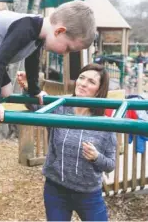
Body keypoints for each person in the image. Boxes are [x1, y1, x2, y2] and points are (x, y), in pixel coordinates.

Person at [0, 0, 96, 124]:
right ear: (59, 31)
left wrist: (35, 91)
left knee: (5, 92)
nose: (65, 53)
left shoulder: (38, 34)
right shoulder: (25, 29)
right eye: (68, 48)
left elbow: (32, 63)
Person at [17, 63, 117, 221]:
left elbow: (110, 165)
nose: (83, 83)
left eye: (91, 82)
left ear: (99, 90)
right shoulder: (60, 107)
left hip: (88, 194)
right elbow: (33, 104)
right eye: (81, 78)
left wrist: (96, 157)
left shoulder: (104, 125)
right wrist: (30, 87)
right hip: (56, 189)